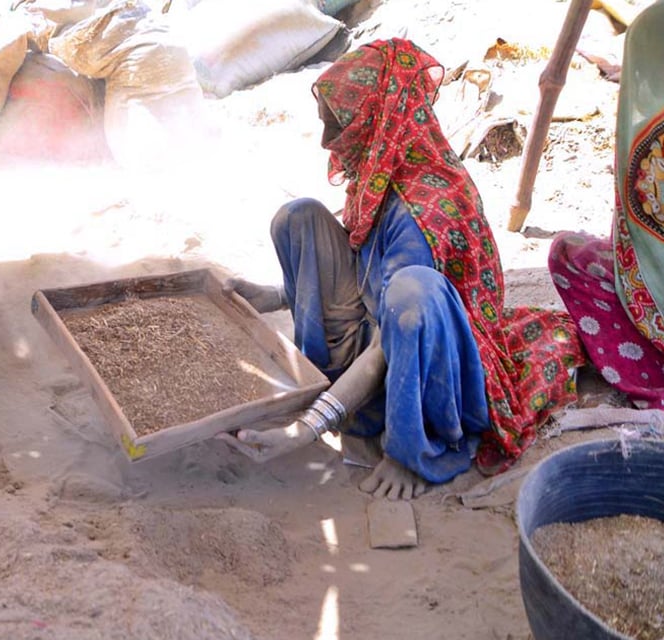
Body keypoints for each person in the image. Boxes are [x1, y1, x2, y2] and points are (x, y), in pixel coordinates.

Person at [225, 38, 583, 499]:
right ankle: (328, 381)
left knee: (409, 292)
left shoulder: (426, 210)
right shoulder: (387, 167)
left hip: (428, 365)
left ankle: (408, 448)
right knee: (298, 218)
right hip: (377, 324)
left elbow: (392, 336)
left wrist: (308, 428)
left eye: (336, 127)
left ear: (372, 121)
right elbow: (362, 261)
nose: (325, 142)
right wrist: (274, 294)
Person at [548, 2, 664, 409]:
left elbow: (635, 237)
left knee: (569, 255)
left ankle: (649, 376)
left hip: (657, 311)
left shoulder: (648, 137)